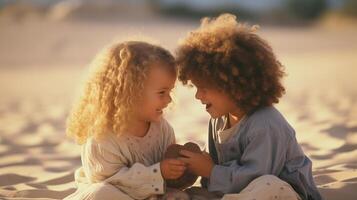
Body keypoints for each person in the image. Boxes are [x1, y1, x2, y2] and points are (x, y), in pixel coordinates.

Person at [176, 14, 323, 200]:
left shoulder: (266, 124)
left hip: (282, 193)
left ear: (234, 87)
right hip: (234, 192)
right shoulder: (218, 120)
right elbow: (214, 173)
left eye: (204, 88)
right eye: (195, 88)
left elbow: (256, 176)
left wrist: (211, 170)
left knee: (268, 185)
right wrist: (192, 166)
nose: (198, 96)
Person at [64, 41, 187, 200]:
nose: (169, 99)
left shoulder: (163, 129)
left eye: (170, 91)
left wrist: (179, 170)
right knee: (102, 193)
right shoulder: (102, 137)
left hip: (150, 194)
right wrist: (158, 172)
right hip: (114, 193)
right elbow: (112, 181)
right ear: (130, 92)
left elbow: (167, 178)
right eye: (162, 92)